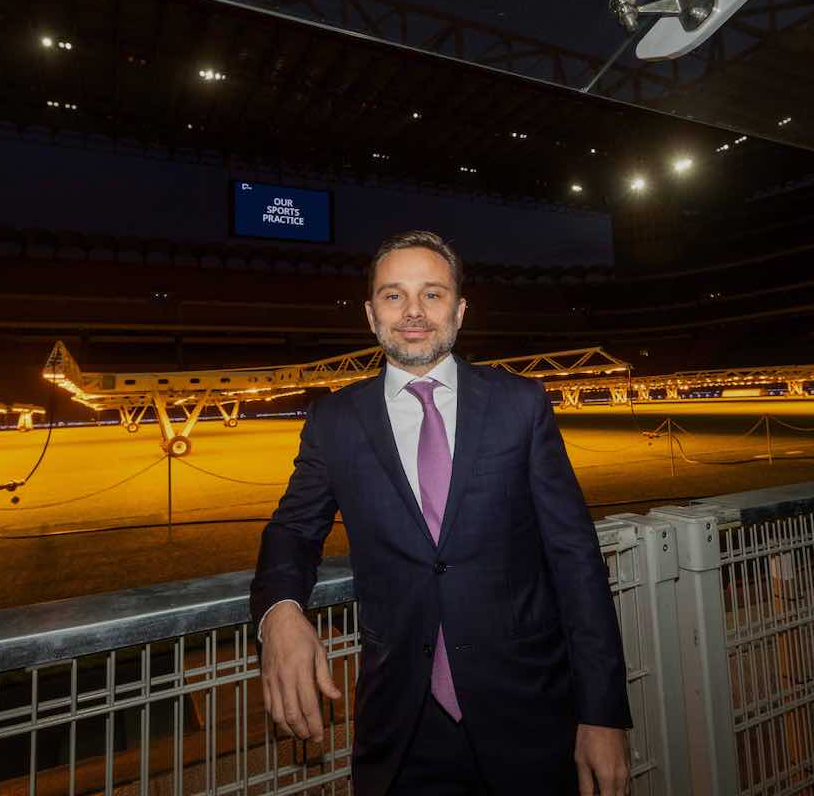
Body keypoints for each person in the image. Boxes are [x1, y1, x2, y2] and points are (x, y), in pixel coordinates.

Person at [250, 230, 632, 795]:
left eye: (432, 294)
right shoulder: (335, 421)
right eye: (393, 295)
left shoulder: (520, 404)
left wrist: (602, 712)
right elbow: (293, 530)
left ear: (459, 310)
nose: (413, 312)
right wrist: (280, 614)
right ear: (371, 314)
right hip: (402, 726)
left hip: (530, 712)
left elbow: (576, 559)